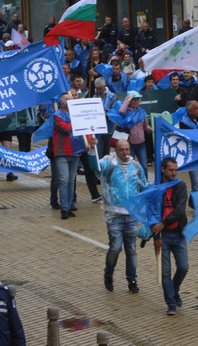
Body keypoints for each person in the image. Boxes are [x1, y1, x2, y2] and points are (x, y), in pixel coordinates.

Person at [90, 139, 147, 294]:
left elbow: (144, 187)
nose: (125, 153)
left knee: (132, 249)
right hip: (113, 214)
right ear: (115, 150)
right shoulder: (109, 164)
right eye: (122, 150)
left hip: (131, 215)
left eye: (127, 149)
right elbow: (95, 166)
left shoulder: (135, 166)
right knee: (115, 248)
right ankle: (108, 273)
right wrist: (91, 149)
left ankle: (132, 280)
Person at [152, 158, 189, 315]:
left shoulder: (180, 185)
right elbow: (151, 214)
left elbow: (180, 209)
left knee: (183, 267)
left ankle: (174, 290)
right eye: (170, 170)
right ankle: (171, 303)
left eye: (175, 170)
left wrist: (163, 223)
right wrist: (156, 236)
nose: (174, 173)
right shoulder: (155, 188)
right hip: (163, 237)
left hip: (178, 234)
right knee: (165, 272)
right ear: (162, 170)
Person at [50, 93, 81, 219]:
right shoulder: (58, 115)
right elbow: (66, 129)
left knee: (71, 180)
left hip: (76, 151)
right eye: (69, 100)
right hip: (62, 151)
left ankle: (68, 205)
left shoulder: (76, 114)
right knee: (64, 180)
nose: (73, 101)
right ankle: (63, 208)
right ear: (63, 103)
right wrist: (78, 120)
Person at [108, 91, 151, 179]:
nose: (135, 101)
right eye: (133, 99)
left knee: (144, 166)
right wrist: (128, 98)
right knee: (129, 166)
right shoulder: (126, 113)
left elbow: (146, 126)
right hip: (130, 145)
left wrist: (151, 129)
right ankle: (131, 183)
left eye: (137, 99)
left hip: (141, 144)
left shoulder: (142, 112)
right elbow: (121, 110)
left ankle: (145, 185)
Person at [178, 100, 198, 193]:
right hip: (193, 157)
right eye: (197, 108)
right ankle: (196, 205)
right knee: (196, 184)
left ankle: (195, 202)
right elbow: (194, 138)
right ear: (190, 111)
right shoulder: (184, 123)